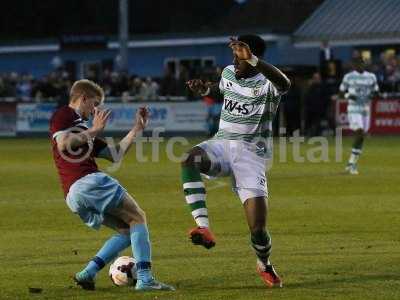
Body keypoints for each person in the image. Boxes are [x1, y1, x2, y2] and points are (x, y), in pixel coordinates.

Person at [183, 35, 290, 287]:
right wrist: (206, 90)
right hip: (222, 144)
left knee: (258, 229)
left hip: (251, 155)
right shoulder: (229, 73)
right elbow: (224, 91)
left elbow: (284, 83)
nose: (235, 61)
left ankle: (264, 264)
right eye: (234, 56)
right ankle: (203, 228)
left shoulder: (267, 84)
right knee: (190, 159)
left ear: (253, 59)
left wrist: (251, 58)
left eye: (240, 58)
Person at [49, 79, 174, 291]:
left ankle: (87, 273)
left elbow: (115, 154)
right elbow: (63, 144)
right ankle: (145, 278)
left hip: (74, 195)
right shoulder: (65, 114)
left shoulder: (82, 128)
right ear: (83, 98)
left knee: (126, 230)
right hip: (89, 182)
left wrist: (137, 129)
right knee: (138, 217)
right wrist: (95, 129)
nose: (95, 109)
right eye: (94, 103)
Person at [338, 58, 379, 175]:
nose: (359, 65)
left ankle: (351, 163)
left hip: (366, 110)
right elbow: (340, 93)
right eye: (357, 63)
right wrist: (349, 95)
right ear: (354, 65)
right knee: (360, 132)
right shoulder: (348, 77)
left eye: (361, 63)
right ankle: (352, 165)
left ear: (364, 64)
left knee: (362, 136)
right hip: (353, 109)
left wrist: (372, 94)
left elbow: (376, 92)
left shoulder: (371, 77)